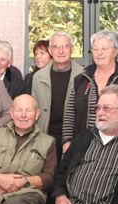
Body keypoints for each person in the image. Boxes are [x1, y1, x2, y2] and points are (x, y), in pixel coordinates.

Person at [62, 30, 118, 155]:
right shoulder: (81, 78)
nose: (99, 53)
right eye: (95, 49)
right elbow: (69, 114)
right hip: (82, 146)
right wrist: (67, 141)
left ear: (115, 51)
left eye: (104, 49)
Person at [31, 31, 83, 161]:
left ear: (71, 49)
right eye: (55, 47)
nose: (61, 51)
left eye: (65, 46)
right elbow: (34, 111)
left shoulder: (84, 76)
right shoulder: (38, 77)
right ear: (50, 50)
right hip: (46, 135)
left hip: (74, 137)